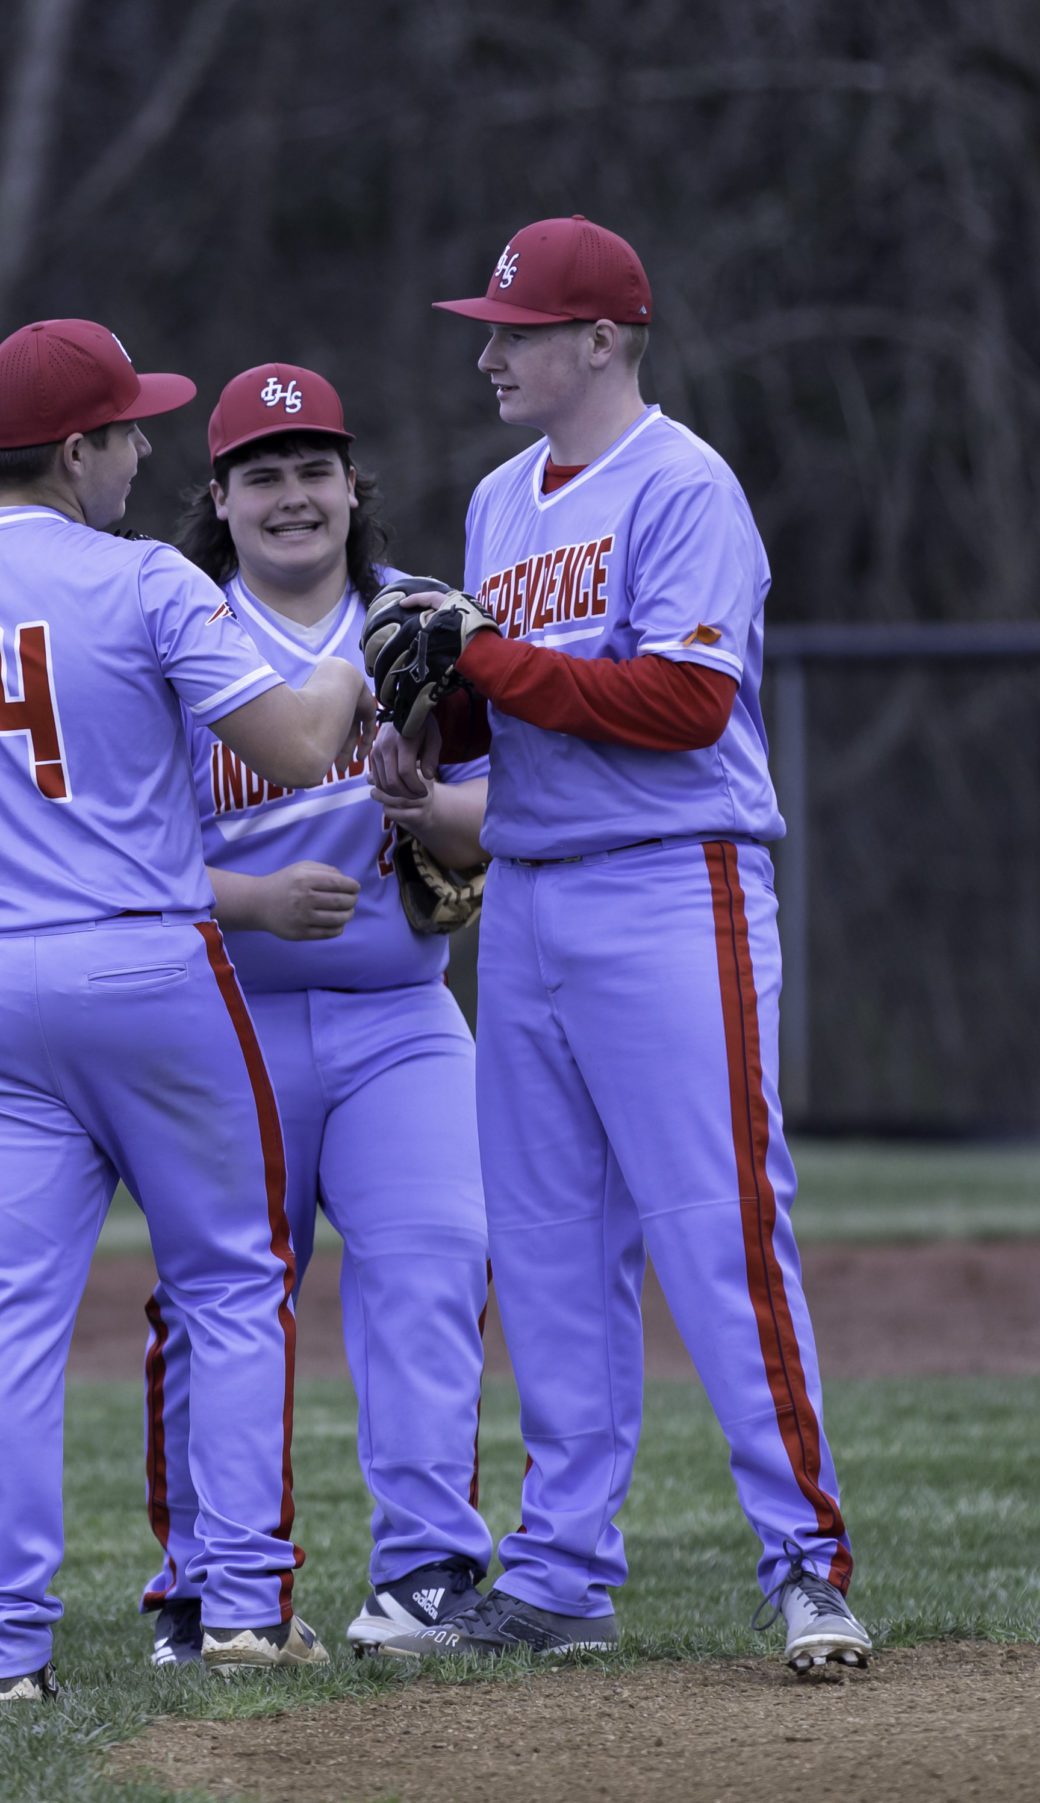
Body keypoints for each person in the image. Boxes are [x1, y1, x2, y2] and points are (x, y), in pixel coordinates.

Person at [369, 217, 868, 1676]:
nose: (488, 351)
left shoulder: (685, 483)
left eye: (517, 331)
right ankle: (561, 1574)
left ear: (600, 339)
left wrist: (483, 662)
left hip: (673, 888)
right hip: (526, 892)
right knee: (547, 1253)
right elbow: (499, 707)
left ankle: (808, 1564)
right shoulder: (497, 499)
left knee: (720, 1237)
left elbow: (683, 707)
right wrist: (430, 744)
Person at [0, 319, 376, 1698]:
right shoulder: (145, 581)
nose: (145, 449)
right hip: (148, 963)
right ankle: (249, 1609)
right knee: (234, 1283)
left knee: (10, 1318)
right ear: (73, 450)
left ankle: (8, 1650)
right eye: (129, 430)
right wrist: (363, 659)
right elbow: (305, 743)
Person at [135, 363, 494, 1666]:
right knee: (213, 1302)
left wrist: (427, 811)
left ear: (355, 488)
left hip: (402, 1017)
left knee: (435, 1265)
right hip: (222, 1019)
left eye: (313, 468)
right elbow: (120, 860)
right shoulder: (176, 629)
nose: (293, 495)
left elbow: (512, 814)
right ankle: (203, 1583)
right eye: (262, 473)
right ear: (220, 499)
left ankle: (428, 1574)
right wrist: (249, 899)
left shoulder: (427, 625)